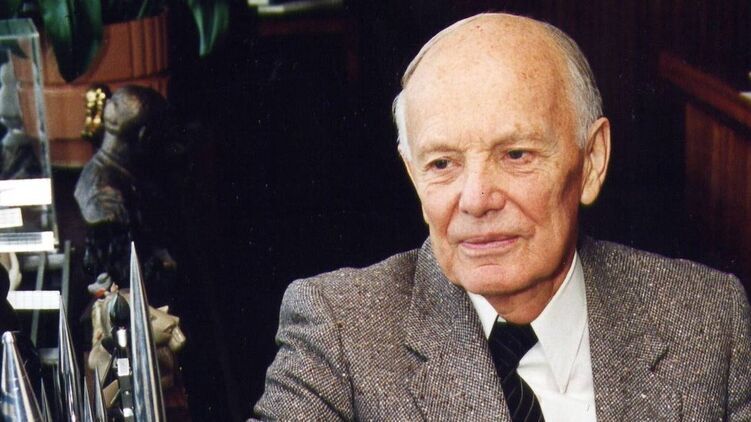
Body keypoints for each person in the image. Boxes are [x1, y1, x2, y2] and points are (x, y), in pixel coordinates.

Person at [253, 13, 751, 421]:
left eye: (515, 155)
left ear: (592, 160)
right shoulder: (340, 330)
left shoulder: (709, 319)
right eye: (442, 164)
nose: (476, 200)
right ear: (413, 175)